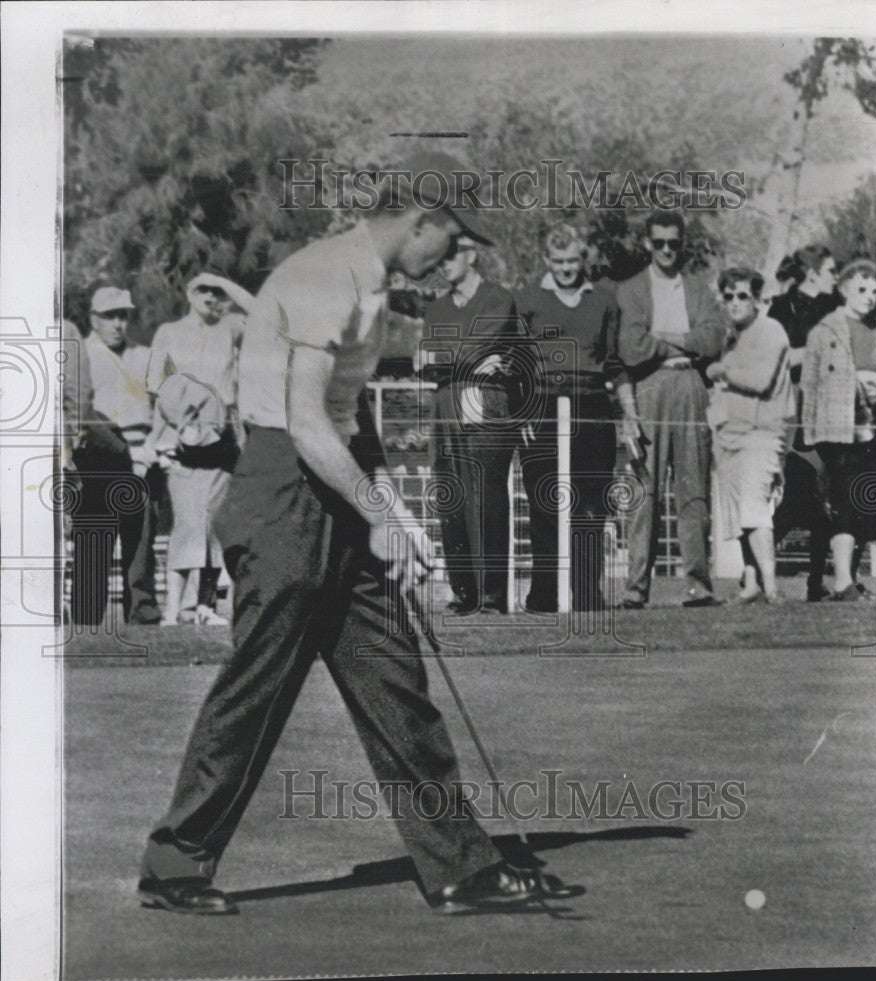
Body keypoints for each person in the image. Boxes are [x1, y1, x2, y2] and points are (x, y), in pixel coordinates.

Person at [138, 154, 564, 916]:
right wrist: (382, 514)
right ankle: (176, 863)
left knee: (391, 674)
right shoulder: (325, 276)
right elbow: (302, 422)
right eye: (454, 238)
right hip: (280, 491)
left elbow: (344, 416)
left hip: (330, 483)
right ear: (419, 220)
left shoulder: (369, 287)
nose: (455, 256)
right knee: (260, 682)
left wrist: (385, 511)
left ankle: (460, 865)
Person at [515, 222, 637, 613]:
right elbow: (517, 363)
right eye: (558, 261)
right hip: (543, 407)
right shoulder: (528, 299)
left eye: (573, 260)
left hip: (592, 407)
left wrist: (629, 414)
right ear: (547, 260)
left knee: (589, 505)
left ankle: (587, 595)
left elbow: (615, 363)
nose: (566, 268)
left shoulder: (605, 300)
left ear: (583, 259)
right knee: (545, 502)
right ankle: (545, 596)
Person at [616, 210, 728, 609]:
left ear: (682, 245)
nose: (666, 250)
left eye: (674, 243)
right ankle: (635, 589)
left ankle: (699, 586)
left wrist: (662, 337)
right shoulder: (630, 290)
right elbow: (631, 346)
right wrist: (682, 341)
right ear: (648, 243)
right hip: (648, 386)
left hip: (690, 386)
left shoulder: (699, 289)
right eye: (659, 242)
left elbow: (714, 338)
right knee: (644, 490)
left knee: (693, 490)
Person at [417, 235, 521, 615]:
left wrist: (452, 356)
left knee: (486, 493)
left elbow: (475, 346)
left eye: (450, 256)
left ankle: (492, 595)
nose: (442, 264)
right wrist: (462, 357)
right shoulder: (437, 308)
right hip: (446, 401)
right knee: (450, 490)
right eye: (438, 257)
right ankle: (464, 591)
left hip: (485, 396)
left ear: (470, 255)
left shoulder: (497, 297)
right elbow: (426, 360)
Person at [146, 273, 254, 626]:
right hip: (181, 444)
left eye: (216, 292)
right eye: (203, 289)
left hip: (222, 445)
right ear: (190, 294)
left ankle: (204, 608)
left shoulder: (231, 327)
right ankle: (174, 610)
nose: (210, 296)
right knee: (188, 523)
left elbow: (263, 316)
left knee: (211, 527)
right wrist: (164, 438)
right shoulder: (169, 332)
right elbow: (155, 387)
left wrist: (227, 283)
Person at [69, 287, 162, 626]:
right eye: (110, 316)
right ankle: (86, 616)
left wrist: (152, 447)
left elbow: (166, 405)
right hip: (98, 456)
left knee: (141, 542)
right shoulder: (83, 355)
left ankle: (142, 611)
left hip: (144, 456)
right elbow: (80, 411)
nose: (118, 323)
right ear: (94, 319)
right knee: (94, 535)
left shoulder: (145, 355)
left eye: (123, 315)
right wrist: (122, 451)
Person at [706, 269, 794, 603]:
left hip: (761, 433)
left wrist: (722, 370)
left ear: (756, 299)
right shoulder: (732, 337)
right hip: (730, 434)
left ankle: (771, 588)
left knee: (754, 508)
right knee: (739, 514)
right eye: (728, 296)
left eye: (742, 295)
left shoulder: (771, 330)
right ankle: (752, 584)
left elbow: (761, 380)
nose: (734, 303)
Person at [801, 259, 876, 602]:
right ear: (845, 288)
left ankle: (851, 577)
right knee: (846, 499)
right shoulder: (825, 330)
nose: (869, 297)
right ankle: (842, 581)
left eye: (875, 291)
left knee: (869, 502)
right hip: (838, 428)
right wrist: (810, 435)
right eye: (861, 289)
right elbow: (810, 384)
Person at [767, 245, 841, 602]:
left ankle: (819, 583)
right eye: (830, 270)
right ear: (812, 272)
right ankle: (756, 574)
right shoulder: (782, 308)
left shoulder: (836, 306)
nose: (836, 277)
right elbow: (772, 357)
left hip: (831, 410)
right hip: (793, 411)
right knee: (800, 496)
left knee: (829, 501)